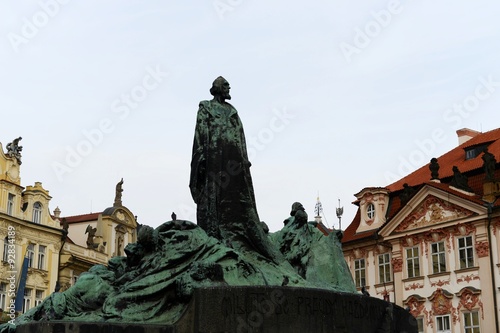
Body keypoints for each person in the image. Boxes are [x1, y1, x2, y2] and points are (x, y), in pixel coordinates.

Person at [189, 76, 279, 260]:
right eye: (225, 85)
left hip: (234, 160)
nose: (229, 88)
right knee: (215, 195)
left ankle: (239, 237)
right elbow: (200, 133)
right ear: (217, 88)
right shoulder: (206, 107)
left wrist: (244, 158)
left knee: (238, 198)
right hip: (215, 158)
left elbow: (241, 136)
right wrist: (202, 154)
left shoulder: (232, 111)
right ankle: (216, 235)